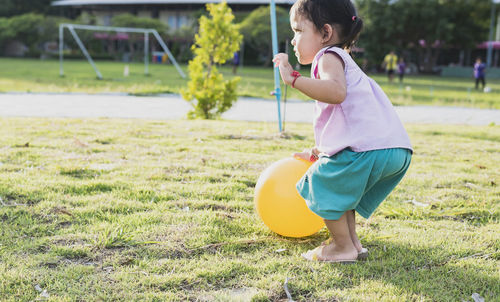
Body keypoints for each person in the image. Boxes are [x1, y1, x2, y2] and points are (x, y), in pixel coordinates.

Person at [272, 0, 412, 263]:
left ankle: (341, 247)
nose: (293, 40)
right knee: (342, 188)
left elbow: (336, 93)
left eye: (298, 31)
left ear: (325, 33)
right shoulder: (344, 60)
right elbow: (351, 120)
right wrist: (319, 150)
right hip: (394, 149)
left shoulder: (328, 57)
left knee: (321, 182)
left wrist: (293, 79)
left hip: (370, 150)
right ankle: (354, 246)